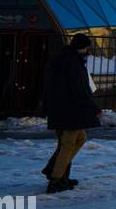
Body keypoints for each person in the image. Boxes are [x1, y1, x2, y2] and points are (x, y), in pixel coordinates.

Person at [41, 33, 100, 193]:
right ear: (81, 47)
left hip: (62, 109)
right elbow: (79, 89)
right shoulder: (73, 62)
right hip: (70, 110)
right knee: (68, 144)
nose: (87, 51)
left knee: (79, 138)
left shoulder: (64, 58)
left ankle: (55, 170)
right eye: (86, 47)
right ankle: (56, 178)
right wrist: (94, 108)